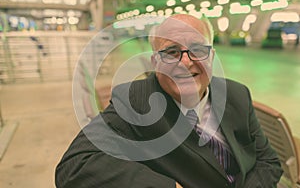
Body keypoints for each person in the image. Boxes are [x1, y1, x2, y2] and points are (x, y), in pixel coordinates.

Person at [55, 14, 283, 188]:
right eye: (171, 52)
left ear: (211, 57)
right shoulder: (135, 101)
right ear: (155, 62)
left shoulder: (236, 94)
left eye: (197, 50)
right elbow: (75, 165)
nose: (185, 63)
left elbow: (268, 160)